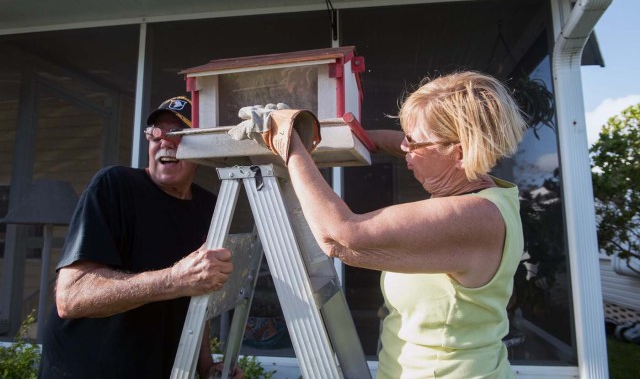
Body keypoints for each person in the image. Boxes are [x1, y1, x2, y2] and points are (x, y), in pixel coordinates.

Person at [262, 71, 527, 378]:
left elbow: (339, 236)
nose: (404, 150)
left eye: (412, 142)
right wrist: (363, 139)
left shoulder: (475, 217)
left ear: (459, 151)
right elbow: (403, 145)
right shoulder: (487, 193)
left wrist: (290, 144)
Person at [38, 96, 243, 379]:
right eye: (156, 134)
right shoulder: (115, 186)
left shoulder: (209, 207)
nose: (165, 142)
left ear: (203, 147)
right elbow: (71, 297)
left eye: (178, 134)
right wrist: (174, 278)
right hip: (84, 369)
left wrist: (205, 366)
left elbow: (195, 292)